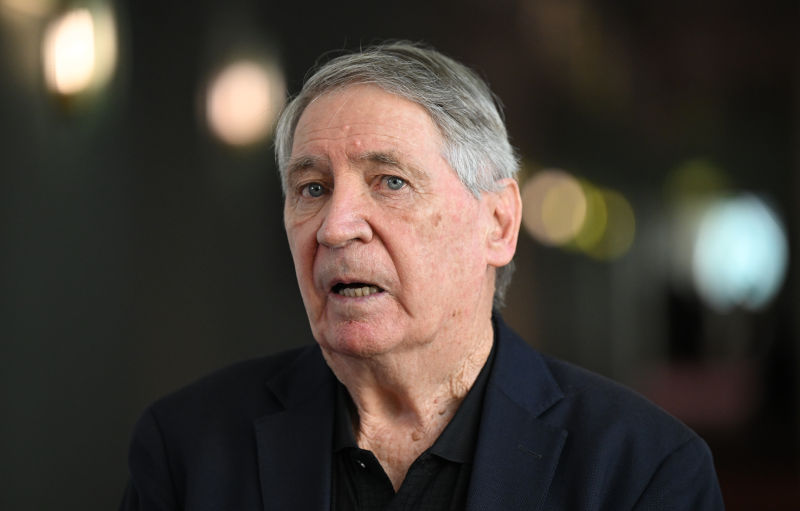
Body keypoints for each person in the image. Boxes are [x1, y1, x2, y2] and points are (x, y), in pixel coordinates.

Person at [121, 41, 724, 510]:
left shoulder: (641, 471)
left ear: (498, 223)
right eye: (312, 188)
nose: (335, 227)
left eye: (390, 181)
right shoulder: (187, 448)